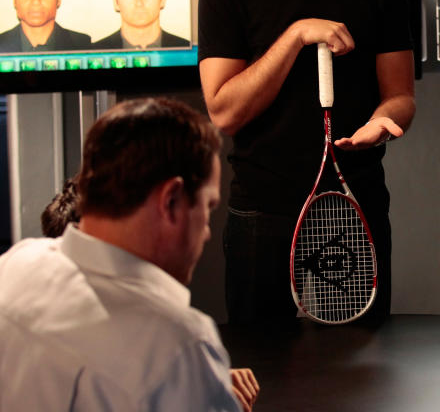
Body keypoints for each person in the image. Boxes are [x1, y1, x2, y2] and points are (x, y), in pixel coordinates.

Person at [198, 0, 415, 325]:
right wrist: (295, 36)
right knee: (269, 375)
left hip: (355, 203)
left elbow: (401, 95)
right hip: (264, 212)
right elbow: (225, 110)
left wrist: (383, 121)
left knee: (361, 375)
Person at [0, 97, 259, 411]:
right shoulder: (181, 346)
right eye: (207, 208)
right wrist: (199, 382)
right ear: (171, 200)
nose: (206, 232)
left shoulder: (14, 264)